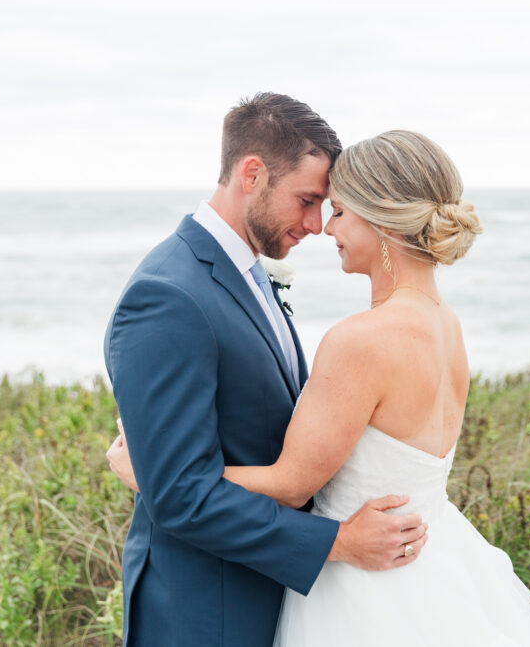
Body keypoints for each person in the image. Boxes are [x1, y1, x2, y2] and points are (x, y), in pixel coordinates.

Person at [108, 129, 530, 645]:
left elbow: (291, 484)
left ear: (382, 218)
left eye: (339, 211)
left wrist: (154, 475)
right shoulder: (448, 325)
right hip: (435, 569)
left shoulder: (362, 340)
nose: (325, 227)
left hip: (361, 594)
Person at [103, 94, 429, 647]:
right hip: (205, 612)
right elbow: (181, 495)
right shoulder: (167, 296)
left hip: (266, 595)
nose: (315, 224)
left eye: (324, 205)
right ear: (251, 174)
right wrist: (337, 542)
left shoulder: (248, 272)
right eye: (306, 200)